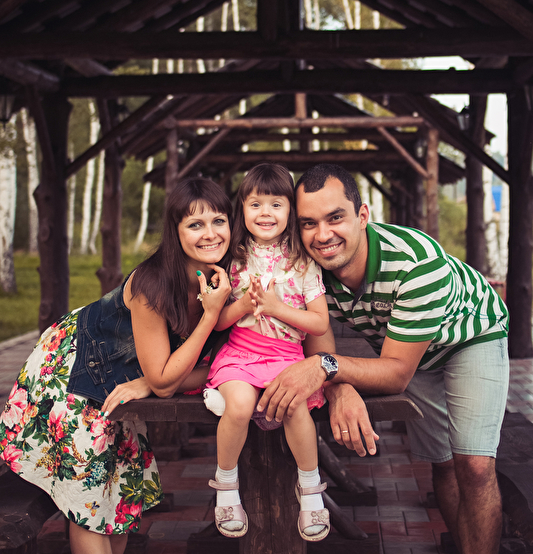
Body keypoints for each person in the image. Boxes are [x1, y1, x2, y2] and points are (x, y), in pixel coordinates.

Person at [256, 163, 509, 554]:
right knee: (443, 462)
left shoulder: (416, 263)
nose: (322, 235)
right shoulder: (306, 268)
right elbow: (319, 348)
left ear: (362, 216)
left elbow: (394, 374)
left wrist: (327, 370)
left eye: (335, 218)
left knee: (474, 466)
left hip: (469, 335)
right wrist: (339, 388)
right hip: (404, 349)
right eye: (308, 223)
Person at [0, 178, 233, 554]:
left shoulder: (225, 280)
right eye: (195, 224)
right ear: (175, 232)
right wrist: (207, 319)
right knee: (91, 506)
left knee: (119, 501)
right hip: (70, 372)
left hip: (117, 380)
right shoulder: (152, 284)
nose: (210, 234)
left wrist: (151, 380)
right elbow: (165, 382)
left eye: (218, 221)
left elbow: (228, 366)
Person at [204, 163, 331, 542]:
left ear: (291, 210)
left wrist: (276, 307)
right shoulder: (232, 260)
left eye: (276, 204)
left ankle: (310, 489)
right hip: (240, 355)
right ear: (241, 208)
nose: (265, 213)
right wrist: (242, 306)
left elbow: (319, 323)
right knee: (240, 406)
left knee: (295, 407)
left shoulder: (303, 263)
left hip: (286, 358)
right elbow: (218, 322)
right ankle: (227, 487)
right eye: (255, 203)